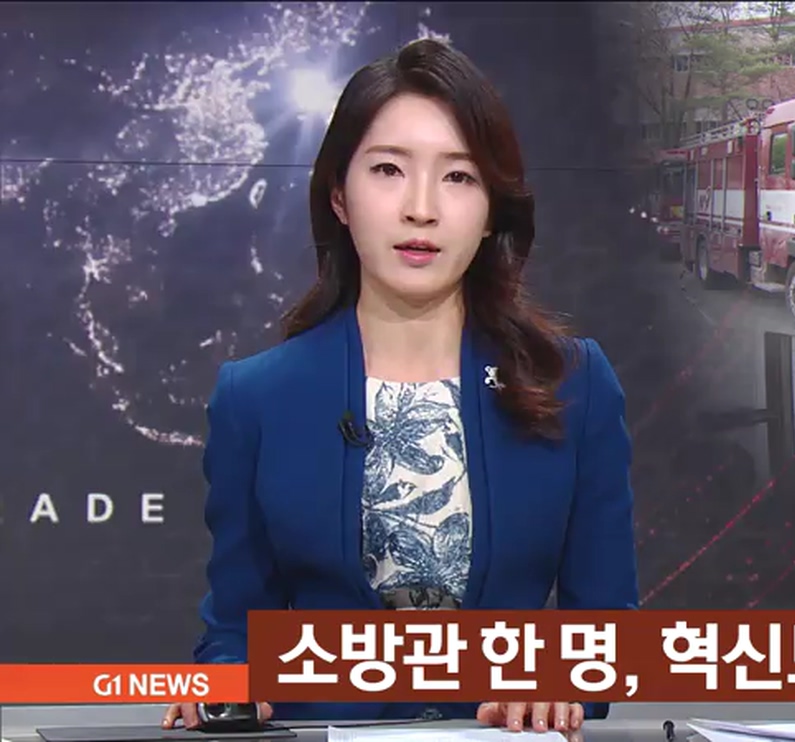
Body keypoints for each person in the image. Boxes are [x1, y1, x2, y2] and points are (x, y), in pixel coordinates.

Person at [162, 38, 638, 731]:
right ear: (339, 195)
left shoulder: (574, 383)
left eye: (459, 176)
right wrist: (223, 685)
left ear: (491, 212)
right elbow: (234, 634)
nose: (421, 208)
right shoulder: (255, 398)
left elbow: (607, 631)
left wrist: (559, 683)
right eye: (388, 169)